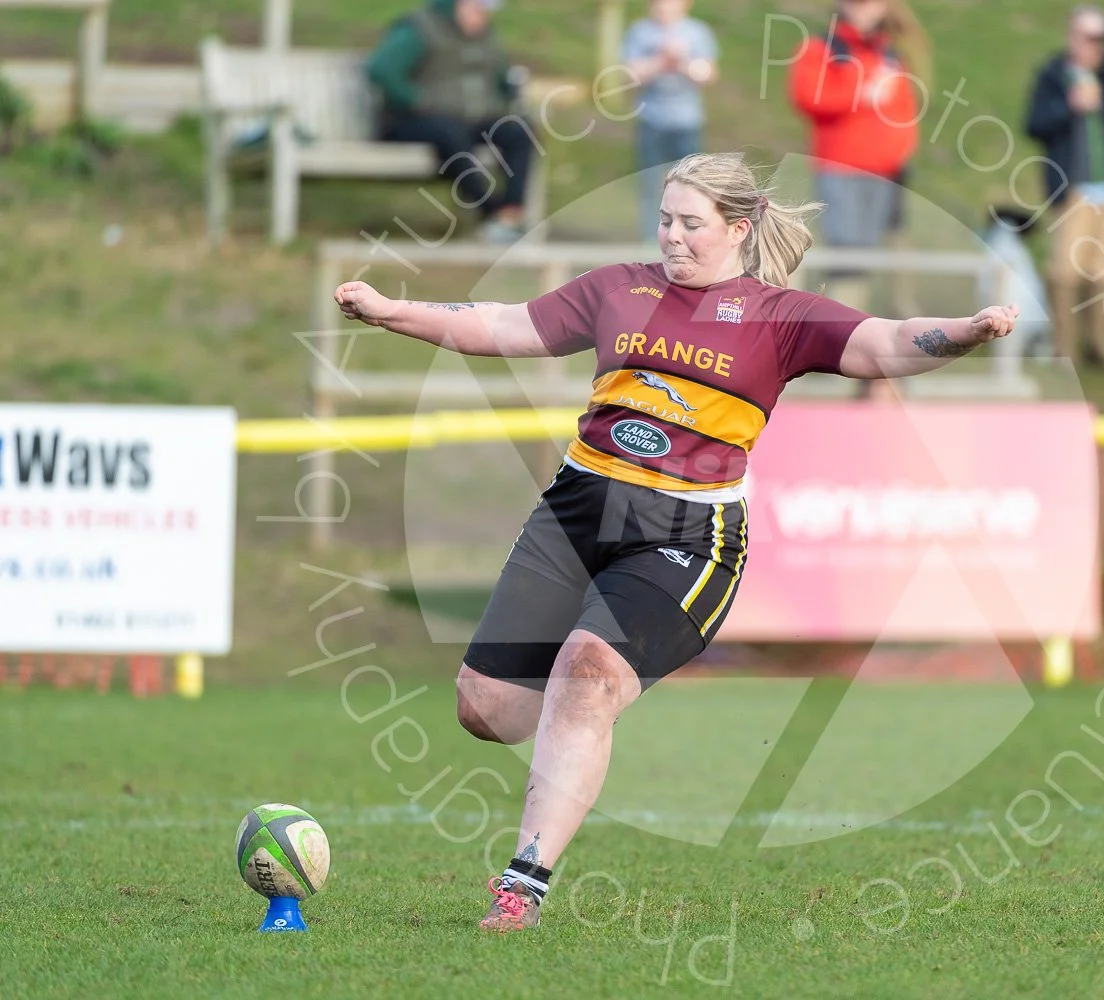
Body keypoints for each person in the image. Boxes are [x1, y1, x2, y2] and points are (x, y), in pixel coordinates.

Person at [331, 152, 1020, 933]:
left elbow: (885, 343)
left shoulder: (778, 317)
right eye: (665, 220)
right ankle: (579, 724)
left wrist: (966, 331)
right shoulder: (617, 289)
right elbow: (500, 325)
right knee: (488, 707)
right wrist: (391, 310)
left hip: (689, 536)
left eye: (692, 223)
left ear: (739, 228)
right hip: (576, 512)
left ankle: (523, 885)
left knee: (586, 677)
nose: (673, 236)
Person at [1024, 6, 1104, 375]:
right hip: (1073, 190)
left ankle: (1100, 344)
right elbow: (1034, 124)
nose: (1093, 46)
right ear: (1071, 38)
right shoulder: (1053, 75)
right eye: (1086, 38)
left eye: (1099, 40)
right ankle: (1064, 348)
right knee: (1065, 270)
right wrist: (1069, 108)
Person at [788, 0, 919, 319]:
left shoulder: (888, 53)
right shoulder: (822, 48)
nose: (864, 9)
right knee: (847, 251)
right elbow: (807, 96)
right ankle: (842, 328)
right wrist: (859, 92)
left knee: (875, 252)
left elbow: (904, 108)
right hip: (840, 168)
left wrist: (902, 148)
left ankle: (874, 327)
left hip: (885, 171)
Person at [367, 0, 536, 244]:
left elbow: (500, 78)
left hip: (470, 119)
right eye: (477, 8)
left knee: (519, 131)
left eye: (485, 10)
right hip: (414, 121)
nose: (482, 16)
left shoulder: (486, 37)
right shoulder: (418, 30)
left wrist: (508, 97)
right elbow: (381, 70)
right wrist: (418, 100)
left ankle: (510, 214)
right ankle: (491, 212)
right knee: (451, 134)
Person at [621, 0, 719, 244]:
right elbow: (631, 75)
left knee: (692, 185)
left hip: (687, 120)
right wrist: (661, 60)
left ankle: (691, 235)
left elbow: (708, 75)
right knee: (650, 183)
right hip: (650, 119)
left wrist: (682, 60)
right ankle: (650, 239)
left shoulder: (697, 32)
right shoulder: (640, 32)